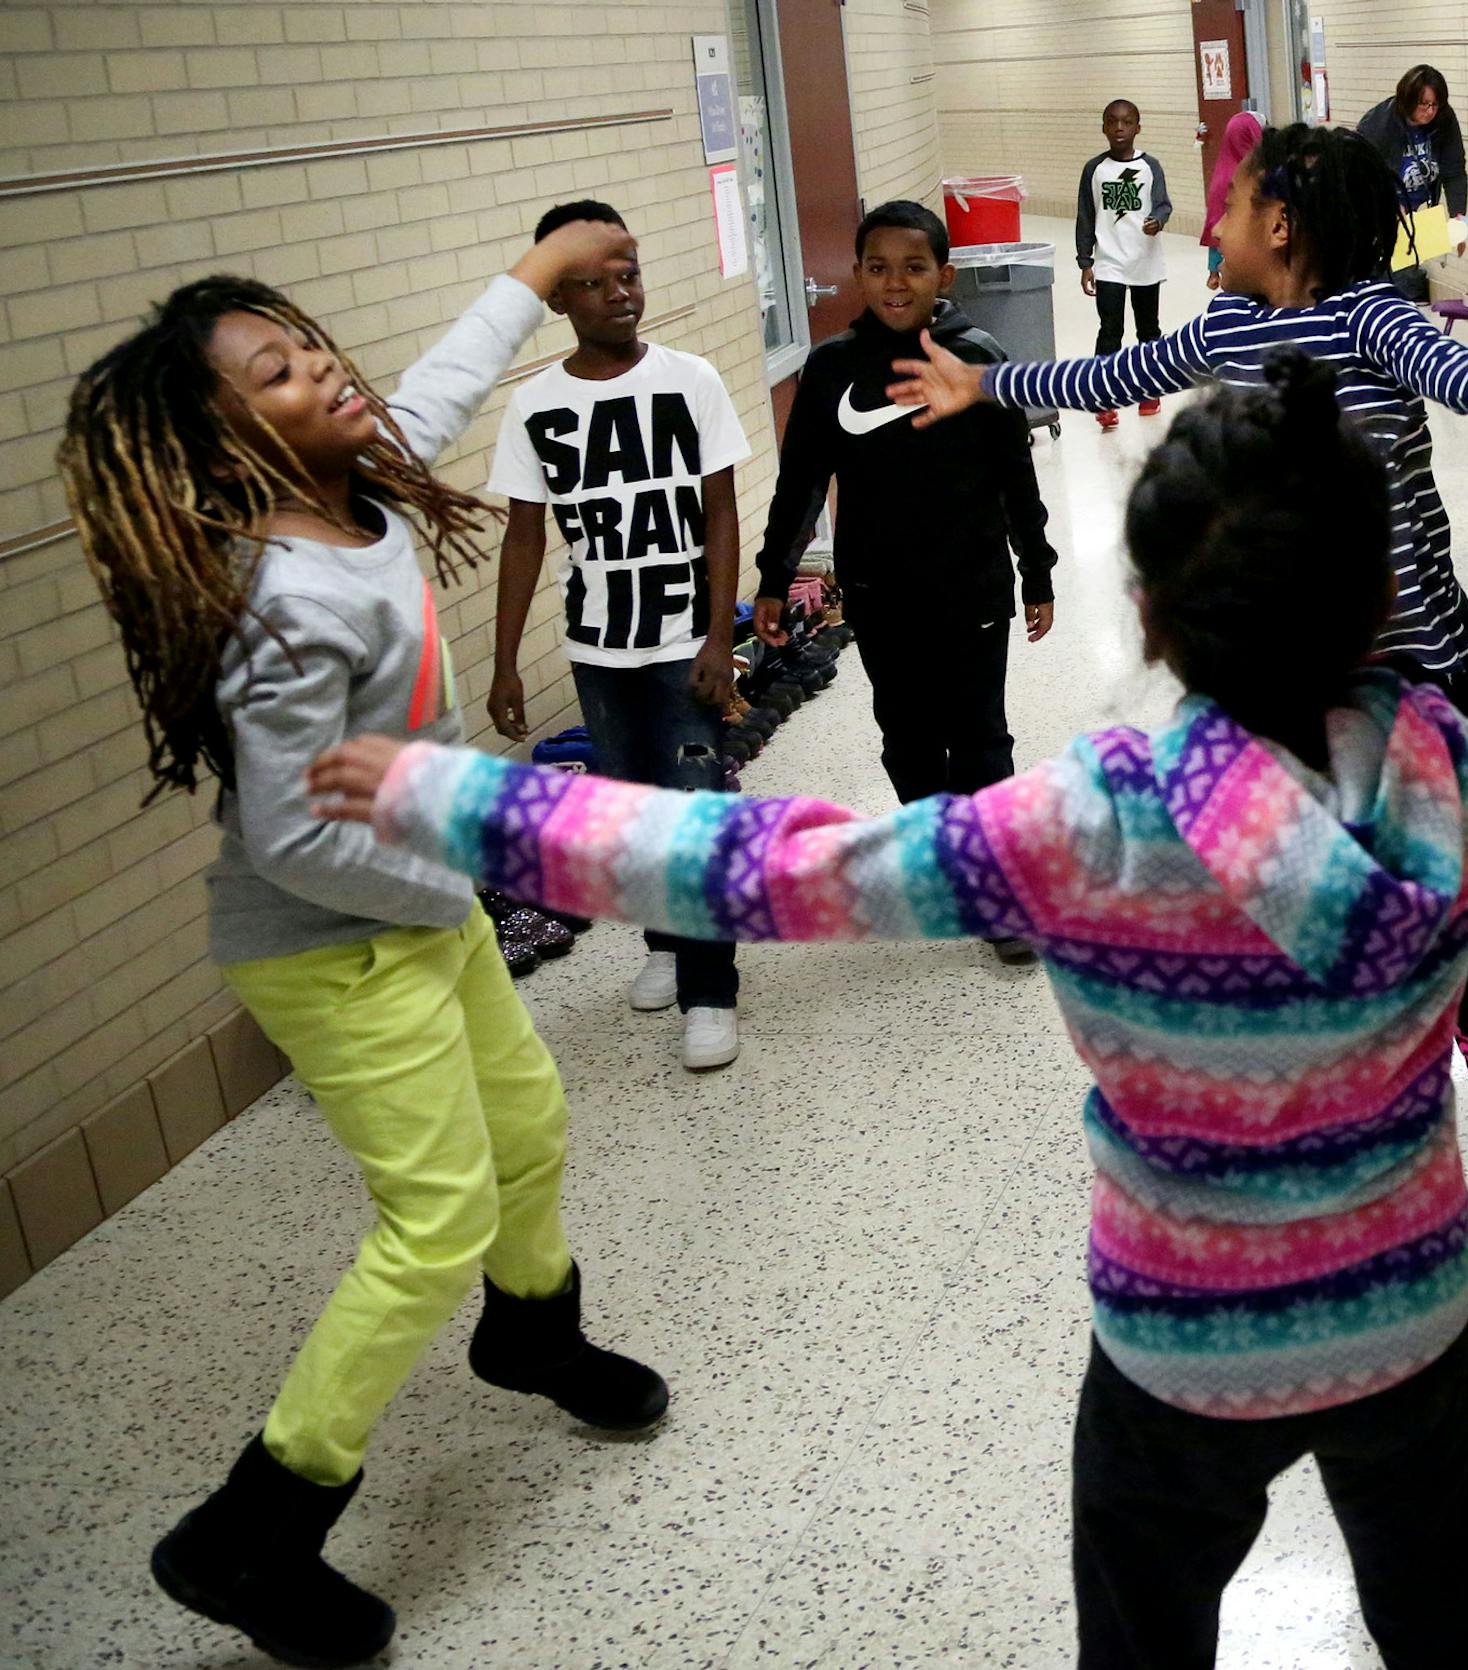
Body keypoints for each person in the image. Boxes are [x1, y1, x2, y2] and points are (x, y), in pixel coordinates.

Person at [313, 360, 1468, 1670]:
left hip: (1175, 1352)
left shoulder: (1079, 826)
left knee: (1145, 1644)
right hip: (1406, 1331)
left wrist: (458, 802)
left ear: (1151, 620)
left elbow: (757, 862)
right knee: (1451, 1633)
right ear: (1387, 600)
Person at [55, 223, 671, 1670]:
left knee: (527, 1121)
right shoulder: (277, 599)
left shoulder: (357, 489)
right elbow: (290, 838)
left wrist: (538, 270)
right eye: (278, 371)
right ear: (224, 440)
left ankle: (531, 1331)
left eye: (313, 344)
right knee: (435, 1215)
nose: (325, 370)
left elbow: (444, 386)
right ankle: (253, 1528)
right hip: (330, 939)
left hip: (415, 895)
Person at [889, 121, 1468, 1270]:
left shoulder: (1372, 315)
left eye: (1233, 202)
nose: (1216, 221)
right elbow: (1114, 372)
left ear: (1282, 223)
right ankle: (1360, 1117)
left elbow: (1464, 371)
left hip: (1420, 673)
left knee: (1451, 924)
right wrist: (990, 382)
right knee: (1324, 906)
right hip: (1302, 686)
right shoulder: (1234, 324)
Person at [750, 200, 1057, 969]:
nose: (895, 282)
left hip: (975, 586)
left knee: (982, 735)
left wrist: (1037, 569)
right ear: (856, 273)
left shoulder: (977, 354)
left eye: (914, 267)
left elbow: (1015, 475)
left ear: (943, 275)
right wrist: (773, 580)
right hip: (880, 592)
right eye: (878, 267)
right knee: (910, 737)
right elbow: (799, 487)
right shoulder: (831, 370)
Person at [486, 198, 755, 1071]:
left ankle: (710, 990)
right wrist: (502, 665)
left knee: (695, 810)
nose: (617, 295)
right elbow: (525, 534)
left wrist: (720, 636)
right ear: (557, 301)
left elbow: (721, 512)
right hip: (600, 645)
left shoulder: (691, 380)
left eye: (628, 275)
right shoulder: (535, 406)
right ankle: (666, 945)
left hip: (686, 640)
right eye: (591, 284)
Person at [1077, 98, 1175, 429]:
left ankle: (1150, 390)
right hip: (1109, 263)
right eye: (1112, 122)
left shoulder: (1151, 166)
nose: (1119, 128)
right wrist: (1085, 261)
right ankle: (1104, 397)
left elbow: (1163, 205)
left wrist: (1157, 221)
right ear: (1104, 127)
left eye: (1127, 122)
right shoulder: (1094, 169)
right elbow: (1085, 216)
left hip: (1145, 261)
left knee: (1148, 329)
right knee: (1110, 330)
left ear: (1138, 128)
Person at [1357, 64, 1468, 302]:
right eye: (1423, 104)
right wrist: (1389, 204)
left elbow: (1454, 171)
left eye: (1435, 105)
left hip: (1416, 218)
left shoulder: (1444, 121)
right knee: (1383, 287)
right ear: (1407, 99)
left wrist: (1459, 218)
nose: (1429, 112)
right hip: (1381, 218)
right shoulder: (1378, 124)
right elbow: (1362, 175)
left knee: (1405, 283)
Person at [1201, 110, 1264, 290]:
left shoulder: (1222, 168)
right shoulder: (1252, 172)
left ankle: (1215, 271)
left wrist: (1213, 269)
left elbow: (1213, 223)